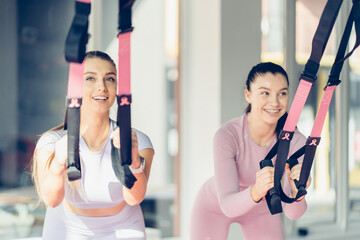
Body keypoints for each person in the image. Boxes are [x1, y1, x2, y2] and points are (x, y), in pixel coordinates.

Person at [31, 51, 154, 240]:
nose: (102, 87)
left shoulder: (139, 141)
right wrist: (57, 164)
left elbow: (134, 198)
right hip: (66, 228)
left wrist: (134, 161)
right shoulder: (50, 143)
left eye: (110, 79)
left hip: (124, 227)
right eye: (90, 78)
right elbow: (51, 200)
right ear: (74, 88)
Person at [190, 62, 311, 240]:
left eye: (282, 93)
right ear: (248, 95)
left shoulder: (297, 142)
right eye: (265, 93)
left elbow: (293, 214)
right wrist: (256, 189)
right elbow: (228, 206)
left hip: (262, 211)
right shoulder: (227, 135)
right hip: (215, 207)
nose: (275, 102)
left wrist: (296, 193)